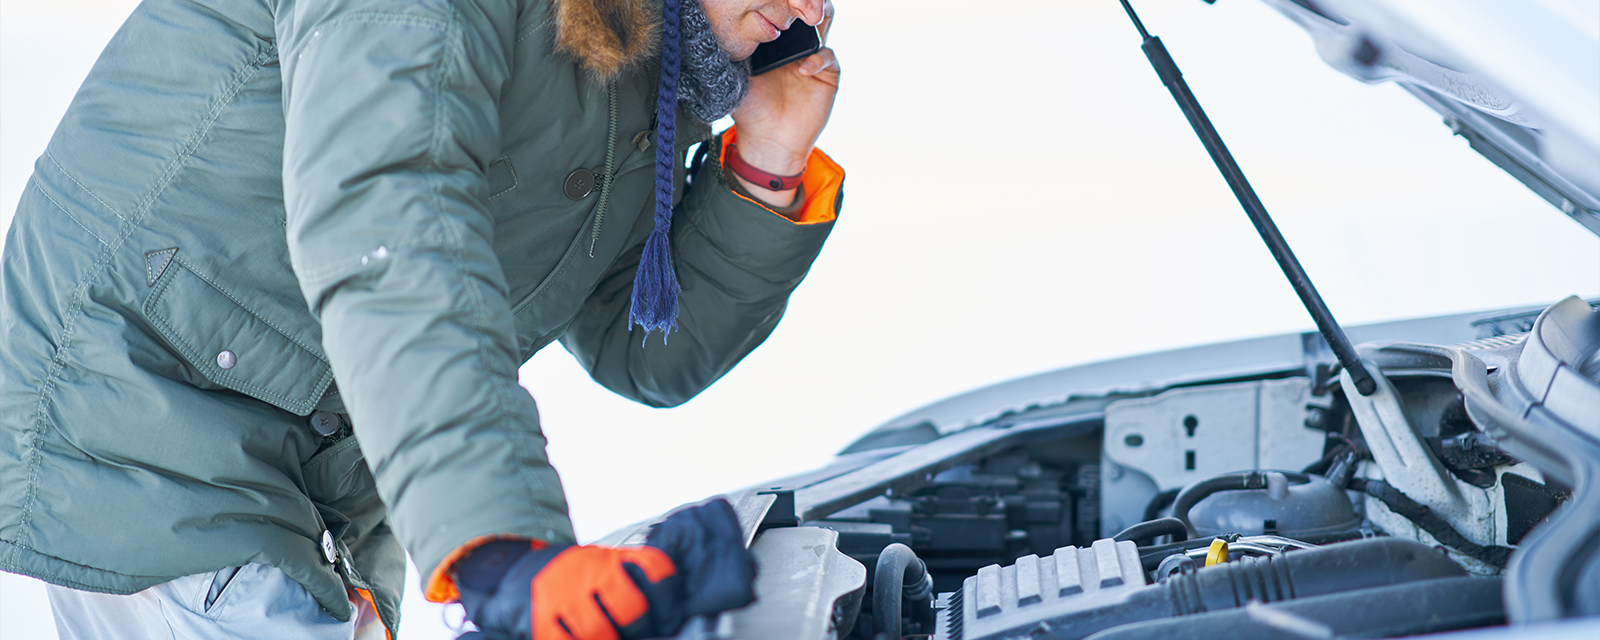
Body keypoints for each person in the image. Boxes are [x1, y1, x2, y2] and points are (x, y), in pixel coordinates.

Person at [0, 0, 843, 637]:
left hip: (312, 466)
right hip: (146, 413)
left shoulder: (638, 62)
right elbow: (390, 228)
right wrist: (502, 544)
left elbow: (645, 349)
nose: (808, 9)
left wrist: (766, 166)